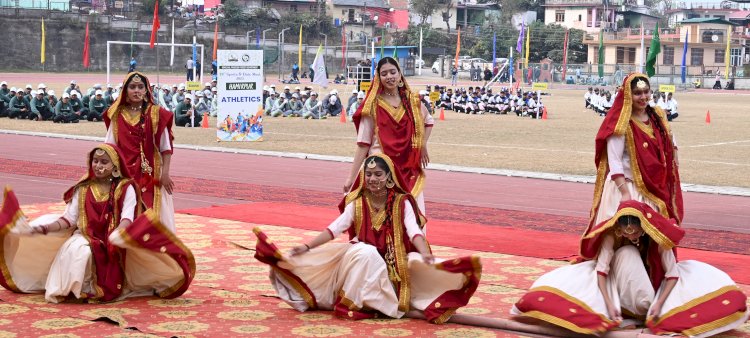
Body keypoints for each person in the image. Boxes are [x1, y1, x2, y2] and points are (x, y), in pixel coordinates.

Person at [253, 154, 481, 323]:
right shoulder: (357, 202)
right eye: (368, 174)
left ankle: (405, 302)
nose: (372, 179)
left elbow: (415, 232)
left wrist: (426, 255)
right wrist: (305, 246)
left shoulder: (402, 202)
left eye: (378, 174)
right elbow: (334, 230)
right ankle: (364, 303)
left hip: (395, 260)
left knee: (419, 265)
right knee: (366, 252)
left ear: (389, 178)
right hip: (361, 258)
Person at [512, 200, 749, 336]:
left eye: (634, 231)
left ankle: (644, 312)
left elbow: (672, 274)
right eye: (625, 231)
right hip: (618, 283)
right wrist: (608, 304)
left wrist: (658, 304)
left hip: (656, 287)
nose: (630, 235)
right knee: (627, 253)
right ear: (618, 229)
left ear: (643, 228)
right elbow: (602, 272)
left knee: (701, 297)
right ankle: (628, 312)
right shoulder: (612, 238)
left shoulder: (658, 239)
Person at [0, 144, 195, 303]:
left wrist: (118, 233)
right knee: (77, 251)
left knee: (93, 252)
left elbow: (127, 217)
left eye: (104, 162)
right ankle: (75, 291)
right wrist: (43, 229)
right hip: (85, 235)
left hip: (113, 238)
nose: (98, 166)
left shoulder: (125, 187)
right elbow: (68, 219)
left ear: (115, 166)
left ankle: (94, 289)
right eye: (95, 161)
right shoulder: (83, 188)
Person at [589, 73, 683, 235]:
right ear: (627, 95)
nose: (643, 97)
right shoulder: (620, 123)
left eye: (646, 91)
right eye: (637, 93)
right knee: (616, 237)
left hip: (653, 186)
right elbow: (614, 160)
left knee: (653, 239)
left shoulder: (658, 116)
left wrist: (672, 166)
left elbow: (670, 143)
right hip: (626, 187)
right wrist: (625, 194)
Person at [347, 57, 434, 215]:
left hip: (408, 168)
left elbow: (428, 122)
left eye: (393, 72)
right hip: (381, 171)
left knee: (412, 218)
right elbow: (363, 143)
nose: (389, 76)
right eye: (384, 73)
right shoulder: (372, 105)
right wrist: (351, 177)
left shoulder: (412, 102)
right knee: (382, 220)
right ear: (378, 78)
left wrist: (422, 144)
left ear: (400, 75)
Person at [103, 72, 176, 232]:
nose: (136, 91)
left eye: (140, 87)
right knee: (126, 209)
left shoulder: (156, 114)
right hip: (124, 173)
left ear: (146, 90)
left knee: (153, 211)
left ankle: (154, 249)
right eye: (132, 87)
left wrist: (165, 173)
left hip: (151, 174)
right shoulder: (117, 115)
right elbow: (109, 148)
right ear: (125, 91)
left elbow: (166, 148)